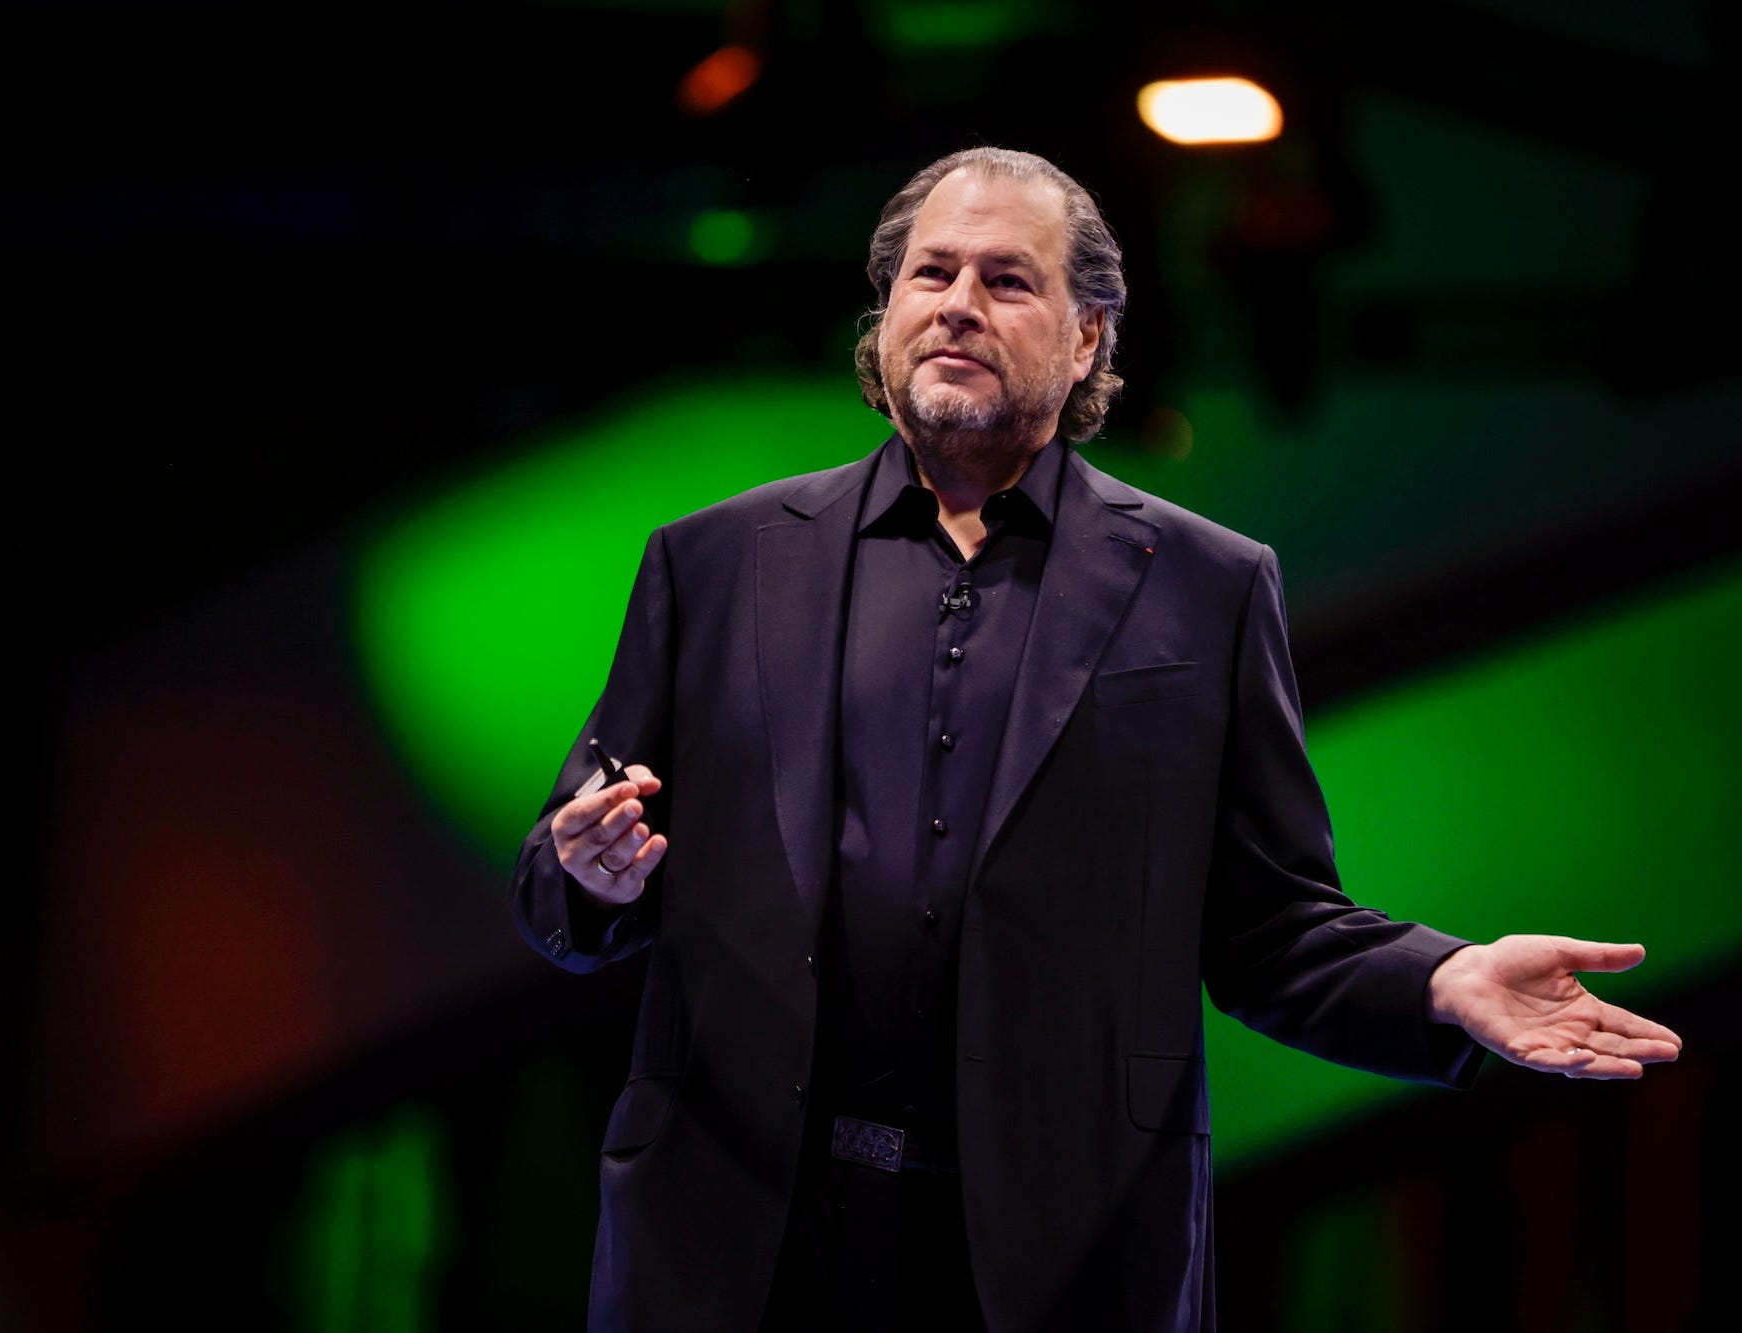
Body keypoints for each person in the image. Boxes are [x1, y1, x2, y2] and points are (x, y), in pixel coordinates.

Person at [508, 147, 1682, 1333]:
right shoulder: (715, 562)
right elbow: (571, 865)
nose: (958, 303)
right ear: (885, 316)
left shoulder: (1205, 587)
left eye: (1007, 280)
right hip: (739, 1236)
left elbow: (1269, 920)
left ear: (1085, 341)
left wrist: (1437, 977)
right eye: (930, 273)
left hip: (1058, 1253)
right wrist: (587, 872)